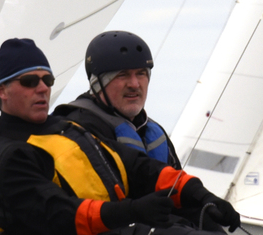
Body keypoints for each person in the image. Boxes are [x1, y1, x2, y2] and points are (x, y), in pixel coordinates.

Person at [0, 38, 263, 235]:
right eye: (30, 82)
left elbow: (136, 167)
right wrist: (134, 210)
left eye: (48, 80)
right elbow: (60, 216)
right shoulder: (6, 155)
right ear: (2, 91)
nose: (42, 89)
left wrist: (199, 194)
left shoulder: (65, 129)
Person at [55, 30, 179, 167]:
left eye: (141, 74)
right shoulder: (76, 132)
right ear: (97, 83)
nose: (134, 84)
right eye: (122, 75)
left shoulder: (153, 131)